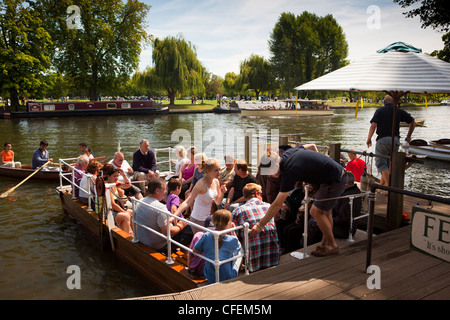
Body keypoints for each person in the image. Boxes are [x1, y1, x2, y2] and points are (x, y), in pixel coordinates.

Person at [249, 146, 348, 257]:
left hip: (335, 180)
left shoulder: (289, 171)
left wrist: (260, 225)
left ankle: (332, 245)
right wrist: (318, 165)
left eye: (269, 172)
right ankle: (326, 244)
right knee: (325, 211)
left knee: (316, 212)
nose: (269, 176)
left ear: (276, 166)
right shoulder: (287, 154)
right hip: (330, 177)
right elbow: (310, 146)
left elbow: (276, 204)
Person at [366, 94, 415, 186]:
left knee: (381, 164)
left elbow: (373, 125)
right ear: (393, 102)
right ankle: (382, 186)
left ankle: (389, 187)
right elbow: (413, 121)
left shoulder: (379, 111)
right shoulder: (398, 111)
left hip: (382, 140)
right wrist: (408, 136)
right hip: (395, 141)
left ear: (384, 103)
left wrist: (369, 138)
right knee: (388, 165)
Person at [232, 183, 280, 273]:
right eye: (261, 194)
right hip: (272, 257)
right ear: (257, 194)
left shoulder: (238, 211)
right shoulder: (269, 206)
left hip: (253, 261)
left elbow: (235, 236)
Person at [134, 178, 192, 251]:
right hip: (159, 245)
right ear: (157, 191)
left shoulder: (140, 201)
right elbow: (167, 232)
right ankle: (185, 258)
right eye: (164, 189)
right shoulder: (160, 208)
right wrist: (181, 226)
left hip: (143, 239)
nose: (166, 191)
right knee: (191, 231)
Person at [174, 158, 227, 235]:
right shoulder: (201, 184)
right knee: (202, 243)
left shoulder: (216, 181)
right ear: (208, 171)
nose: (219, 173)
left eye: (219, 169)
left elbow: (217, 202)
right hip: (197, 219)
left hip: (207, 218)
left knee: (212, 240)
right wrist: (174, 216)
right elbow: (187, 202)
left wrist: (222, 193)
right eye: (216, 170)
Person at [308, 172, 362, 242]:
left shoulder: (349, 196)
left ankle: (307, 244)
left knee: (313, 223)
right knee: (314, 217)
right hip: (339, 224)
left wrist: (325, 220)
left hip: (343, 229)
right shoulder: (349, 191)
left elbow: (343, 218)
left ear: (350, 184)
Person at [193, 209, 241, 284]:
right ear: (229, 223)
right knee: (240, 253)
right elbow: (239, 248)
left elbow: (195, 250)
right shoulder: (232, 239)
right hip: (227, 276)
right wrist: (233, 232)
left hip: (210, 275)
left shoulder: (206, 235)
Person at [101, 164, 133, 235]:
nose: (116, 178)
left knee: (132, 212)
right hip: (109, 212)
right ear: (108, 176)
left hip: (116, 209)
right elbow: (112, 205)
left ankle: (136, 235)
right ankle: (125, 237)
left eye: (117, 176)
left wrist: (123, 175)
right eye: (114, 176)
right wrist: (124, 212)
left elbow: (128, 185)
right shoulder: (107, 186)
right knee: (126, 216)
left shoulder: (115, 184)